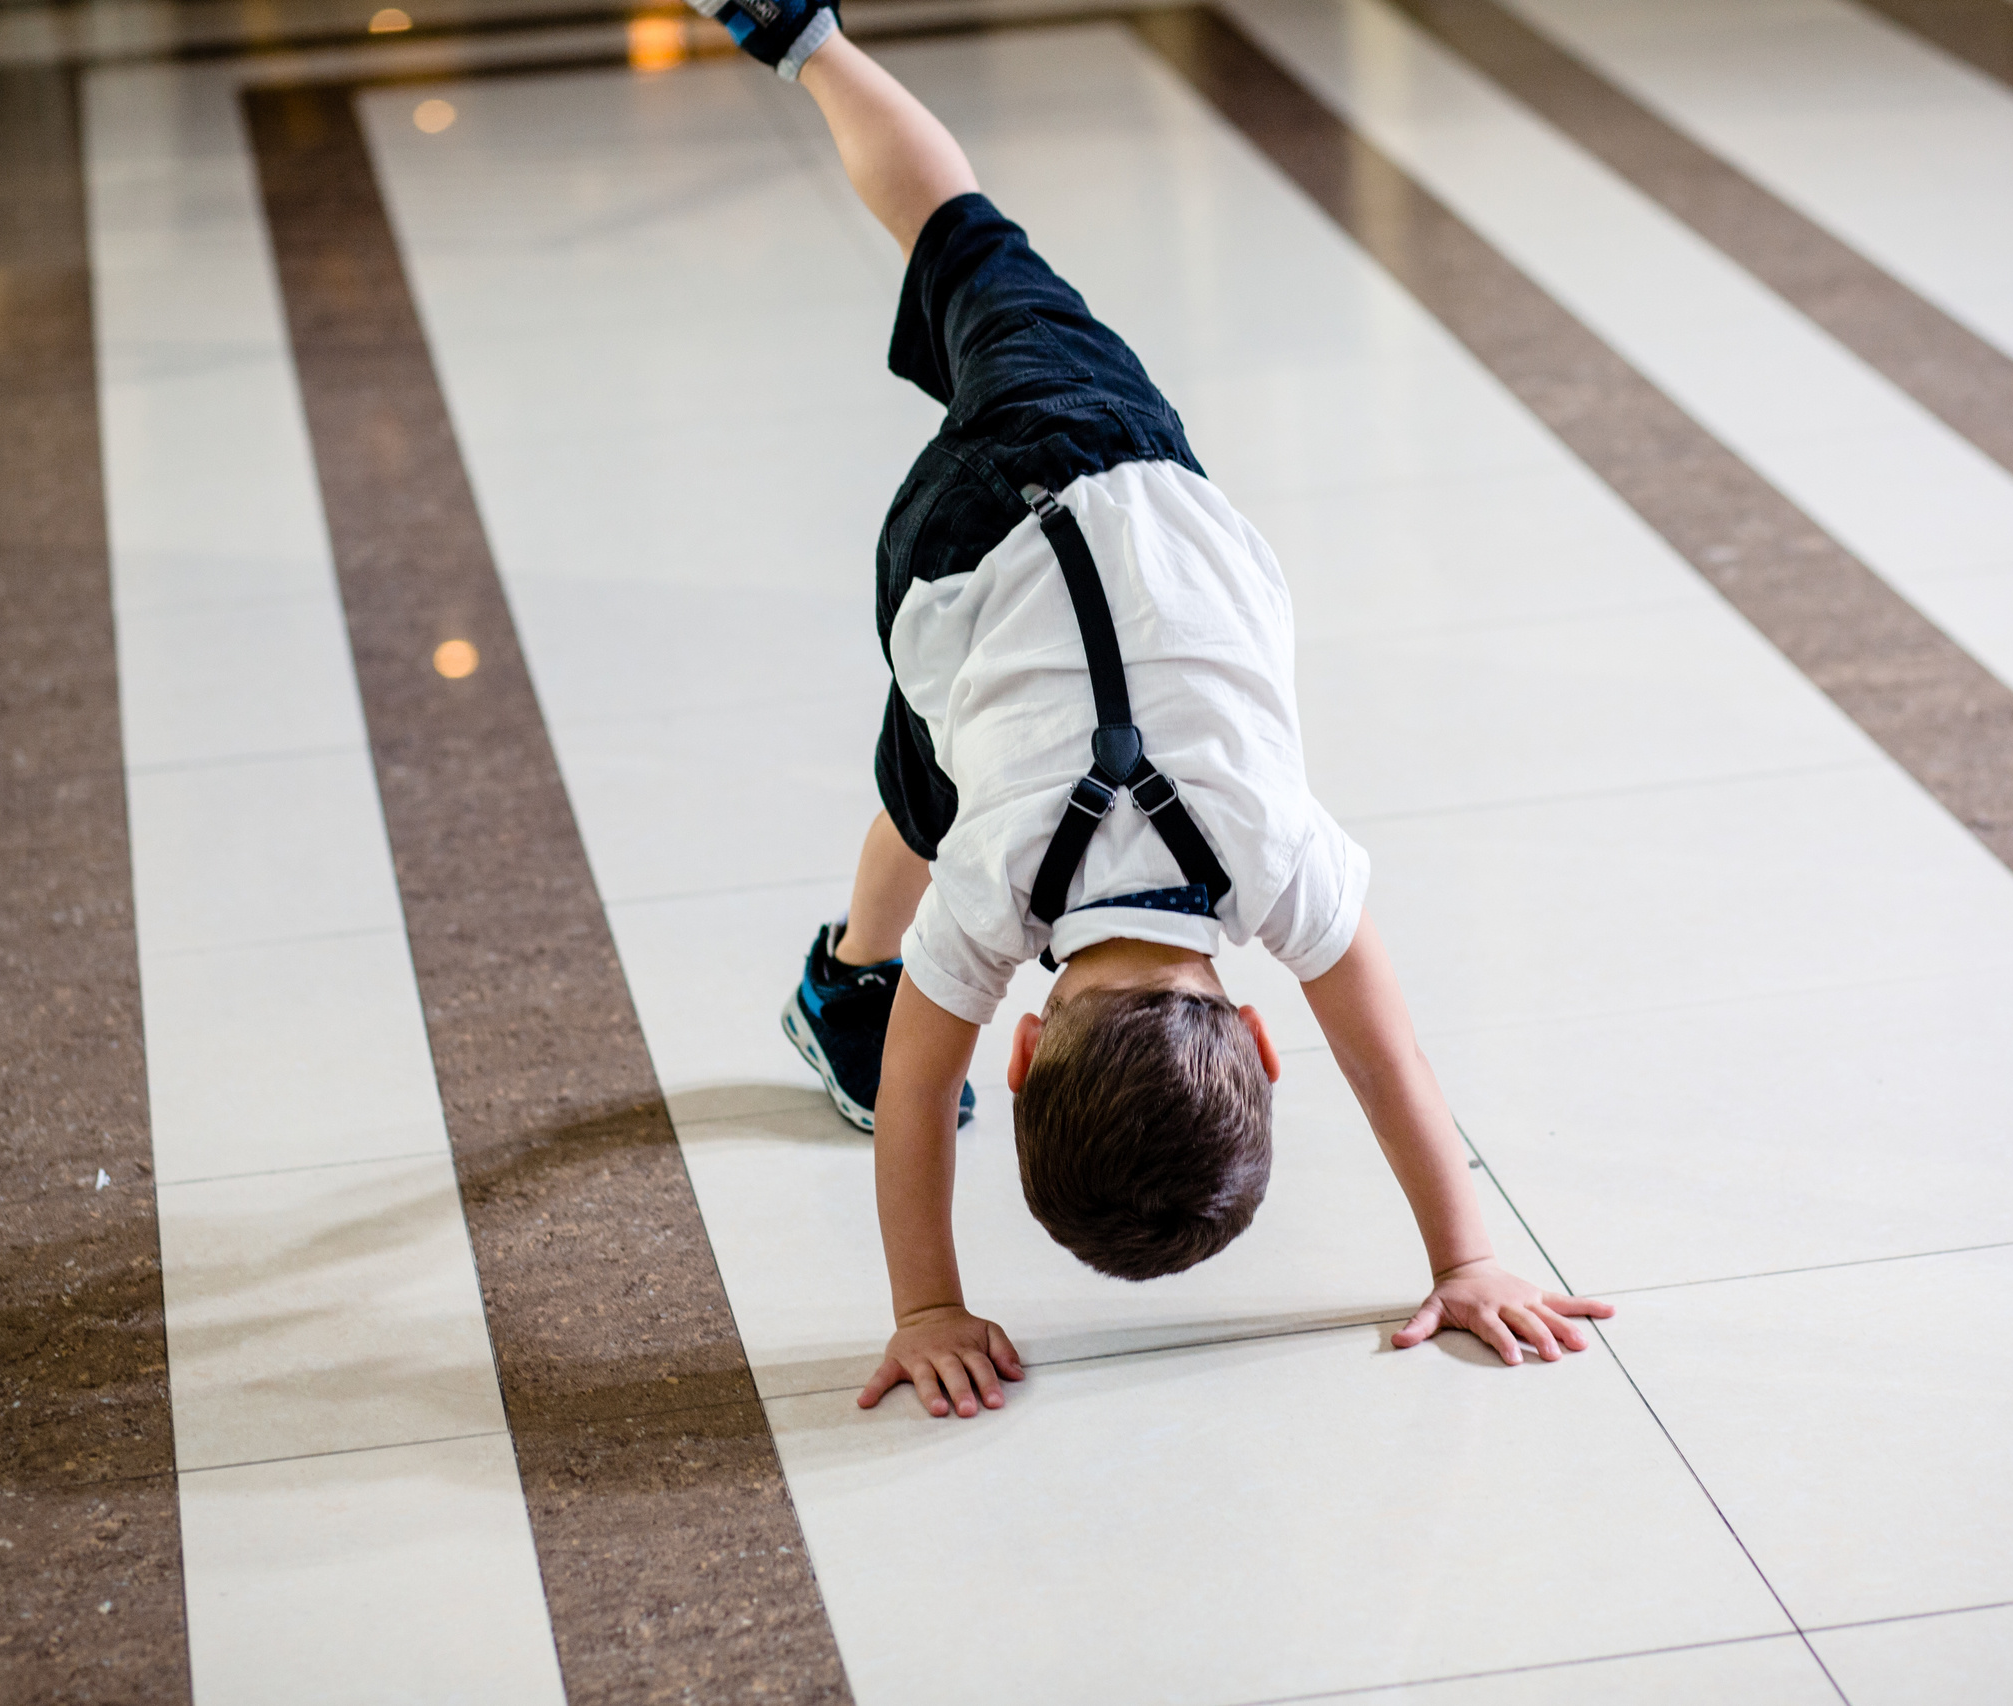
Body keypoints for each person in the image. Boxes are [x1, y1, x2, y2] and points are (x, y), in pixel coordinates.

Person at [690, 0, 1613, 1417]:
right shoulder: (1000, 902)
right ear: (1026, 1039)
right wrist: (924, 1303)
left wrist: (1470, 1253)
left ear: (1252, 1039)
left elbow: (1390, 1059)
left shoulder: (1276, 857)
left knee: (956, 221)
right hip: (948, 573)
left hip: (1121, 467)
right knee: (941, 778)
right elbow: (920, 1117)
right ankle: (850, 985)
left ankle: (802, 34)